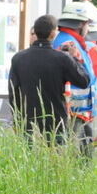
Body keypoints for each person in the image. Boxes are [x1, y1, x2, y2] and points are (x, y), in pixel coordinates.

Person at [9, 15, 89, 143]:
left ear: (35, 31)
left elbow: (14, 93)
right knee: (54, 159)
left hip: (28, 122)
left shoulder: (18, 58)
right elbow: (84, 81)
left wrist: (17, 121)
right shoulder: (62, 59)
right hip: (55, 123)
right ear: (53, 33)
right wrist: (76, 58)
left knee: (28, 159)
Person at [52, 2, 97, 154]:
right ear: (80, 24)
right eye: (87, 24)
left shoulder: (72, 42)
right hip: (73, 112)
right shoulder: (68, 43)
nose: (88, 28)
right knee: (76, 153)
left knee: (85, 150)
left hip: (79, 112)